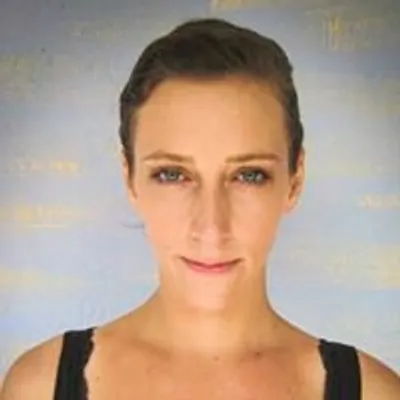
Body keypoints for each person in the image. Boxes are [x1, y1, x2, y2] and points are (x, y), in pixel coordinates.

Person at [1, 17, 399, 400]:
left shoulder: (376, 393)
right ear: (130, 178)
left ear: (295, 180)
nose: (211, 227)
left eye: (249, 175)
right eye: (173, 174)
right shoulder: (39, 387)